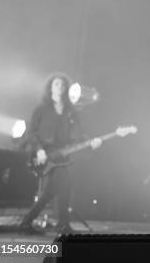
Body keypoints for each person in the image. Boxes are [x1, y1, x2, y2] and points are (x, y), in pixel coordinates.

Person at [19, 74, 102, 234]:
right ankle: (61, 225)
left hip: (62, 156)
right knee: (64, 186)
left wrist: (91, 143)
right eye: (57, 84)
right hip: (44, 154)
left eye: (63, 85)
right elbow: (30, 133)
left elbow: (79, 133)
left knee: (53, 191)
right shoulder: (41, 110)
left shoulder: (71, 112)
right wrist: (39, 149)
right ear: (50, 87)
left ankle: (29, 223)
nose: (60, 87)